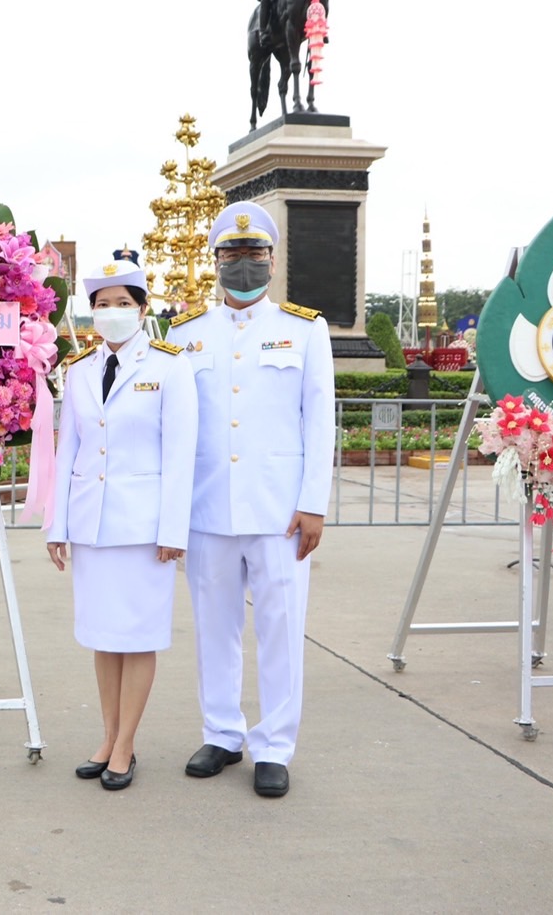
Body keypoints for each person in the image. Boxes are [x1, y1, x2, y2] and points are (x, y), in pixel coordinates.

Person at [171, 201, 333, 798]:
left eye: (254, 254)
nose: (243, 264)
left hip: (279, 511)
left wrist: (313, 502)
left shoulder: (304, 329)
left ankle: (275, 745)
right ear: (215, 262)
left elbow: (319, 422)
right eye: (232, 255)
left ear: (272, 260)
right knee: (214, 627)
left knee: (281, 628)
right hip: (208, 509)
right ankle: (222, 733)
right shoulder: (185, 335)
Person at [46, 258, 197, 791]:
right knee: (104, 638)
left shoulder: (169, 366)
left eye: (123, 304)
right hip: (92, 525)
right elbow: (69, 453)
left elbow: (182, 454)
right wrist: (56, 525)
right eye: (103, 305)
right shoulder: (80, 369)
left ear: (142, 310)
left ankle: (127, 745)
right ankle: (107, 737)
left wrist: (174, 531)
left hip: (144, 529)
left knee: (137, 637)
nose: (112, 314)